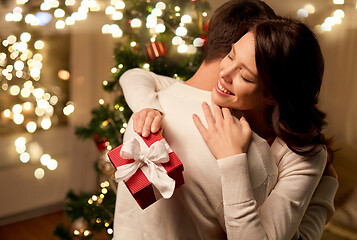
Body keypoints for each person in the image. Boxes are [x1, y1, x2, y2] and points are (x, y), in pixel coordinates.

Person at [115, 1, 338, 239]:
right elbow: (137, 77)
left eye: (244, 75)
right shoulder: (224, 101)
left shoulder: (300, 154)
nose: (224, 73)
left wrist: (233, 160)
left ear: (272, 95)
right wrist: (149, 107)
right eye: (231, 55)